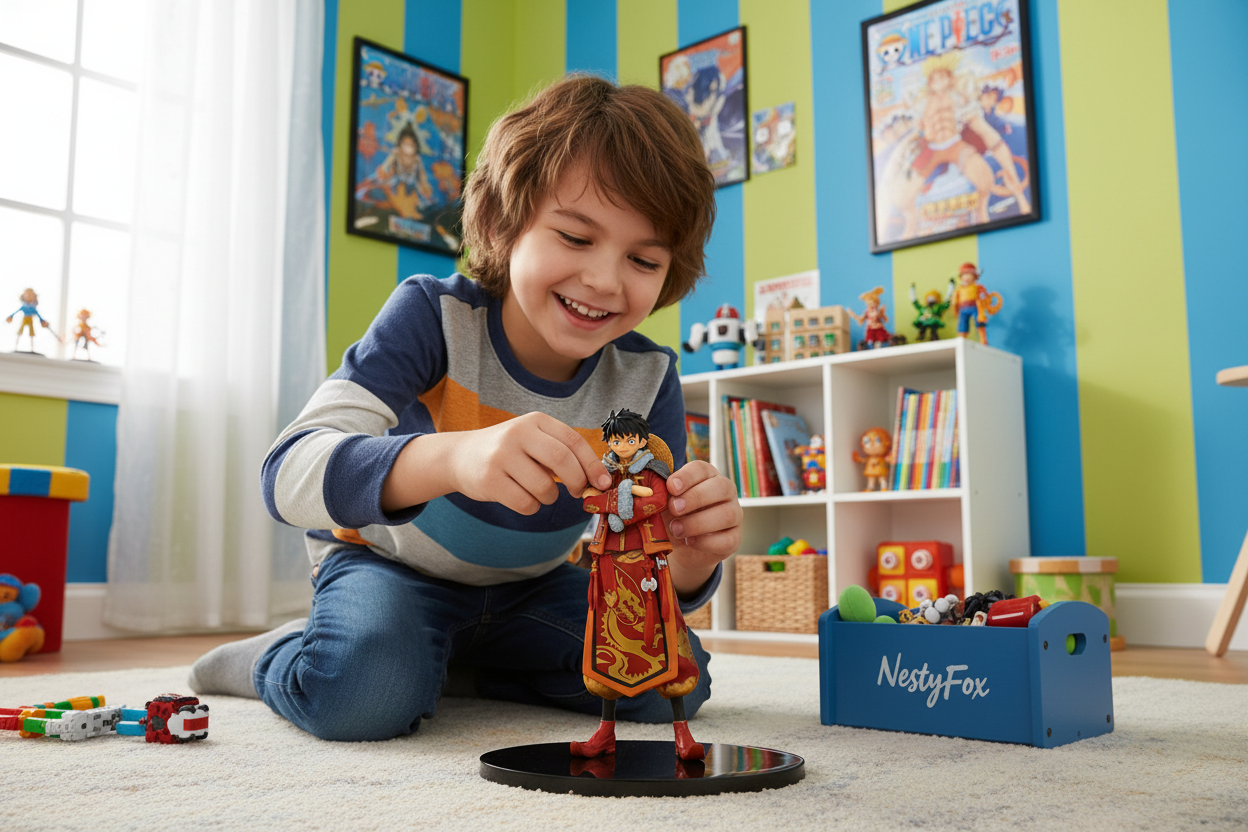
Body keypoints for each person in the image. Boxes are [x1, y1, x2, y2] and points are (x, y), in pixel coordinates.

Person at [187, 74, 742, 743]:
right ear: (506, 225)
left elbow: (647, 573)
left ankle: (462, 666)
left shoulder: (648, 377)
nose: (604, 280)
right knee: (361, 695)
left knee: (671, 680)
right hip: (390, 568)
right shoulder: (432, 315)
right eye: (574, 237)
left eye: (643, 259)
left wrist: (690, 559)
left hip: (535, 590)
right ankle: (273, 657)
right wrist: (451, 458)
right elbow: (287, 474)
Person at [575, 409, 703, 760]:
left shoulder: (654, 472)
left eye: (630, 439)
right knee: (606, 645)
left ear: (643, 440)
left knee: (666, 643)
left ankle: (682, 734)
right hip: (608, 566)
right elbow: (589, 501)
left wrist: (616, 504)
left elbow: (657, 501)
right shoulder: (605, 473)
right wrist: (622, 496)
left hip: (647, 565)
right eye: (617, 440)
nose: (623, 445)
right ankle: (604, 732)